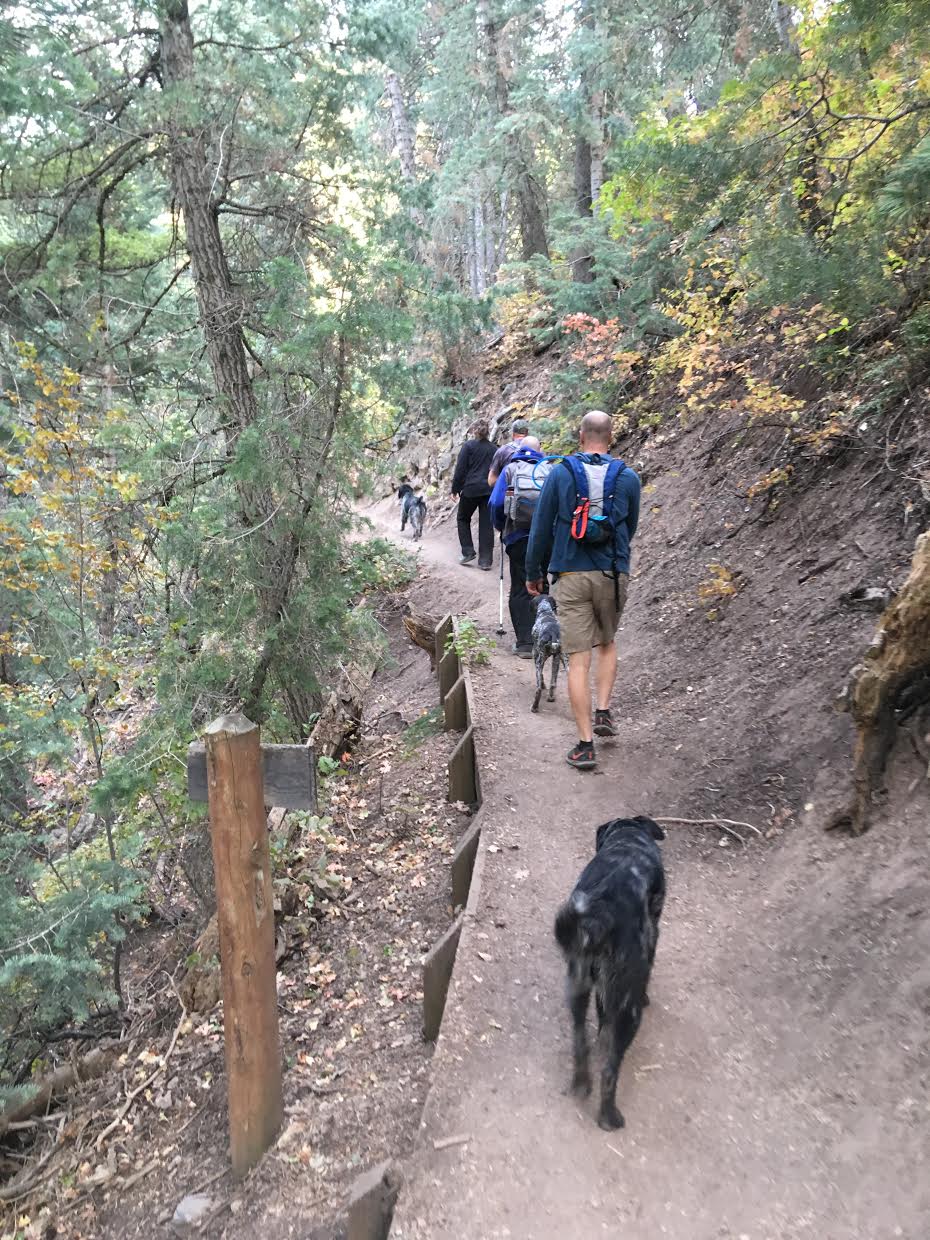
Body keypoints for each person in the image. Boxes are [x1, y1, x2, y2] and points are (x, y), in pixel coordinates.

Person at [525, 410, 641, 770]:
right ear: (611, 437)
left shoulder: (560, 473)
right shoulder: (629, 478)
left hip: (571, 572)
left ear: (580, 436)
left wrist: (534, 572)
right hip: (612, 572)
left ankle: (585, 745)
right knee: (606, 642)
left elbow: (541, 527)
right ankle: (604, 710)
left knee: (578, 657)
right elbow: (631, 526)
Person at [489, 436, 546, 657]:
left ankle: (525, 643)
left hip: (517, 536)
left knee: (520, 586)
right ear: (539, 450)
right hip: (544, 538)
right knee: (541, 584)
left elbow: (496, 503)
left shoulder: (510, 470)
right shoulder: (549, 470)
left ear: (519, 450)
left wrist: (500, 526)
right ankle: (543, 638)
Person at [451, 420, 496, 569]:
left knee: (463, 518)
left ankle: (468, 551)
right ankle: (485, 561)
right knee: (486, 523)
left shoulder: (468, 446)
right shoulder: (494, 448)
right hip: (489, 490)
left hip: (471, 489)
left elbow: (461, 469)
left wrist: (455, 489)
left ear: (474, 431)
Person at [487, 417, 531, 487]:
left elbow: (491, 480)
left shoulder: (503, 450)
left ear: (513, 434)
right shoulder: (537, 450)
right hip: (532, 494)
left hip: (509, 494)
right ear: (527, 433)